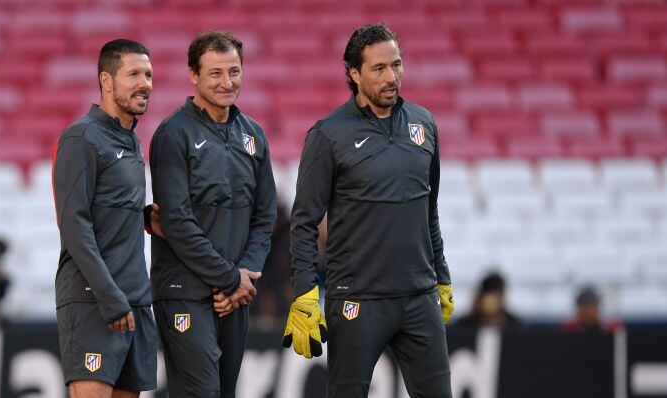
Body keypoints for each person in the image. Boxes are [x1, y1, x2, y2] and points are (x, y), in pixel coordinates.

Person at [284, 23, 454, 398]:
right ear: (354, 73)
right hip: (356, 299)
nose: (391, 77)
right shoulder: (328, 135)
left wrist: (441, 275)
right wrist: (304, 291)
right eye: (378, 69)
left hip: (419, 296)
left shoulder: (424, 124)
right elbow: (304, 221)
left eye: (396, 65)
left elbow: (429, 210)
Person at [148, 31, 276, 397]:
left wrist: (245, 273)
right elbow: (176, 220)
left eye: (234, 71)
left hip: (235, 293)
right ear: (194, 75)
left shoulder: (254, 135)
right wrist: (230, 278)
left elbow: (265, 215)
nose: (227, 82)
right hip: (184, 291)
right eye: (215, 73)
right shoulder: (173, 135)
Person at [52, 39, 157, 398]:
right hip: (94, 298)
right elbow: (74, 224)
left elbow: (107, 209)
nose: (144, 83)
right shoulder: (81, 137)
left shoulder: (131, 140)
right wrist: (108, 295)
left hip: (134, 300)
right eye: (133, 74)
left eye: (148, 74)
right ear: (107, 81)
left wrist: (145, 217)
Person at [453, 271, 521, 329]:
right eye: (490, 292)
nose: (493, 299)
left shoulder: (514, 325)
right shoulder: (464, 324)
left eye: (498, 293)